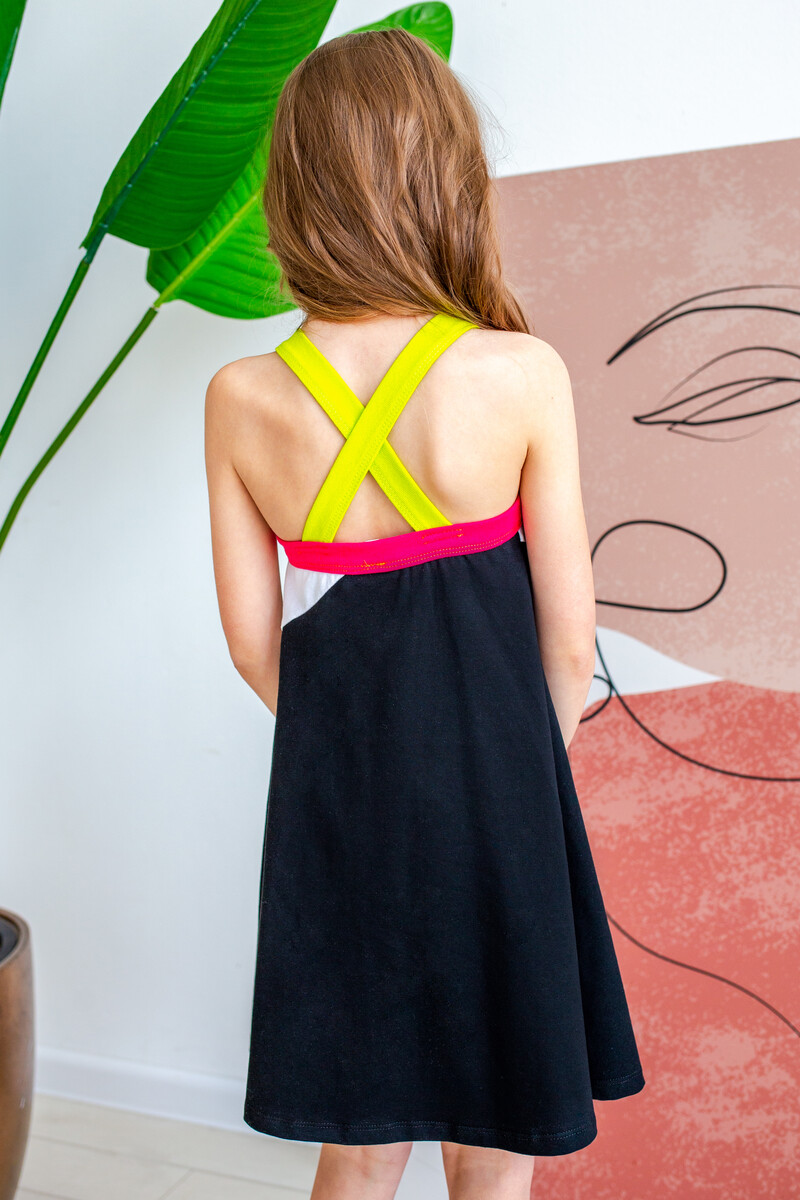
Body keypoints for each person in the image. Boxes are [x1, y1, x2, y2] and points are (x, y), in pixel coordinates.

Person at [204, 25, 645, 1200]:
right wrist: (500, 772)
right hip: (501, 797)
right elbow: (567, 639)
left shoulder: (241, 397)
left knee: (358, 1138)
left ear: (294, 192)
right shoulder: (518, 373)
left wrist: (359, 755)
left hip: (336, 805)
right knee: (492, 1134)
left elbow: (251, 641)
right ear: (444, 176)